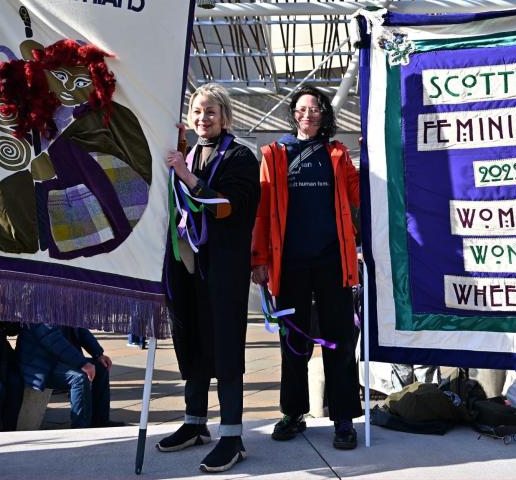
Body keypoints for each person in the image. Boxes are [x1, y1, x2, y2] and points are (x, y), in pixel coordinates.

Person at [251, 86, 363, 450]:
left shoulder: (338, 153)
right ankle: (293, 412)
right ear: (293, 114)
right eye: (301, 108)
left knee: (341, 340)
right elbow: (263, 210)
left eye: (315, 108)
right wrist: (259, 260)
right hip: (290, 264)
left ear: (324, 114)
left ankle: (343, 418)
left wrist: (374, 151)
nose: (308, 114)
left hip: (333, 261)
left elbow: (358, 195)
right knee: (293, 341)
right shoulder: (274, 154)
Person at [156, 83, 259, 473]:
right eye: (198, 111)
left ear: (225, 116)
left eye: (211, 112)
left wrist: (186, 175)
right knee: (191, 342)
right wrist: (181, 164)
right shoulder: (188, 153)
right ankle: (195, 423)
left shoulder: (240, 156)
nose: (203, 118)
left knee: (225, 348)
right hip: (186, 268)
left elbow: (226, 207)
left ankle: (232, 435)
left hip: (222, 270)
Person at [17, 324, 115, 429]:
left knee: (101, 367)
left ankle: (101, 421)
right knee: (79, 378)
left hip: (60, 359)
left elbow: (80, 330)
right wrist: (82, 363)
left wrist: (98, 354)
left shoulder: (65, 308)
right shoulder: (39, 309)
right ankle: (81, 428)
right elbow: (52, 339)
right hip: (39, 365)